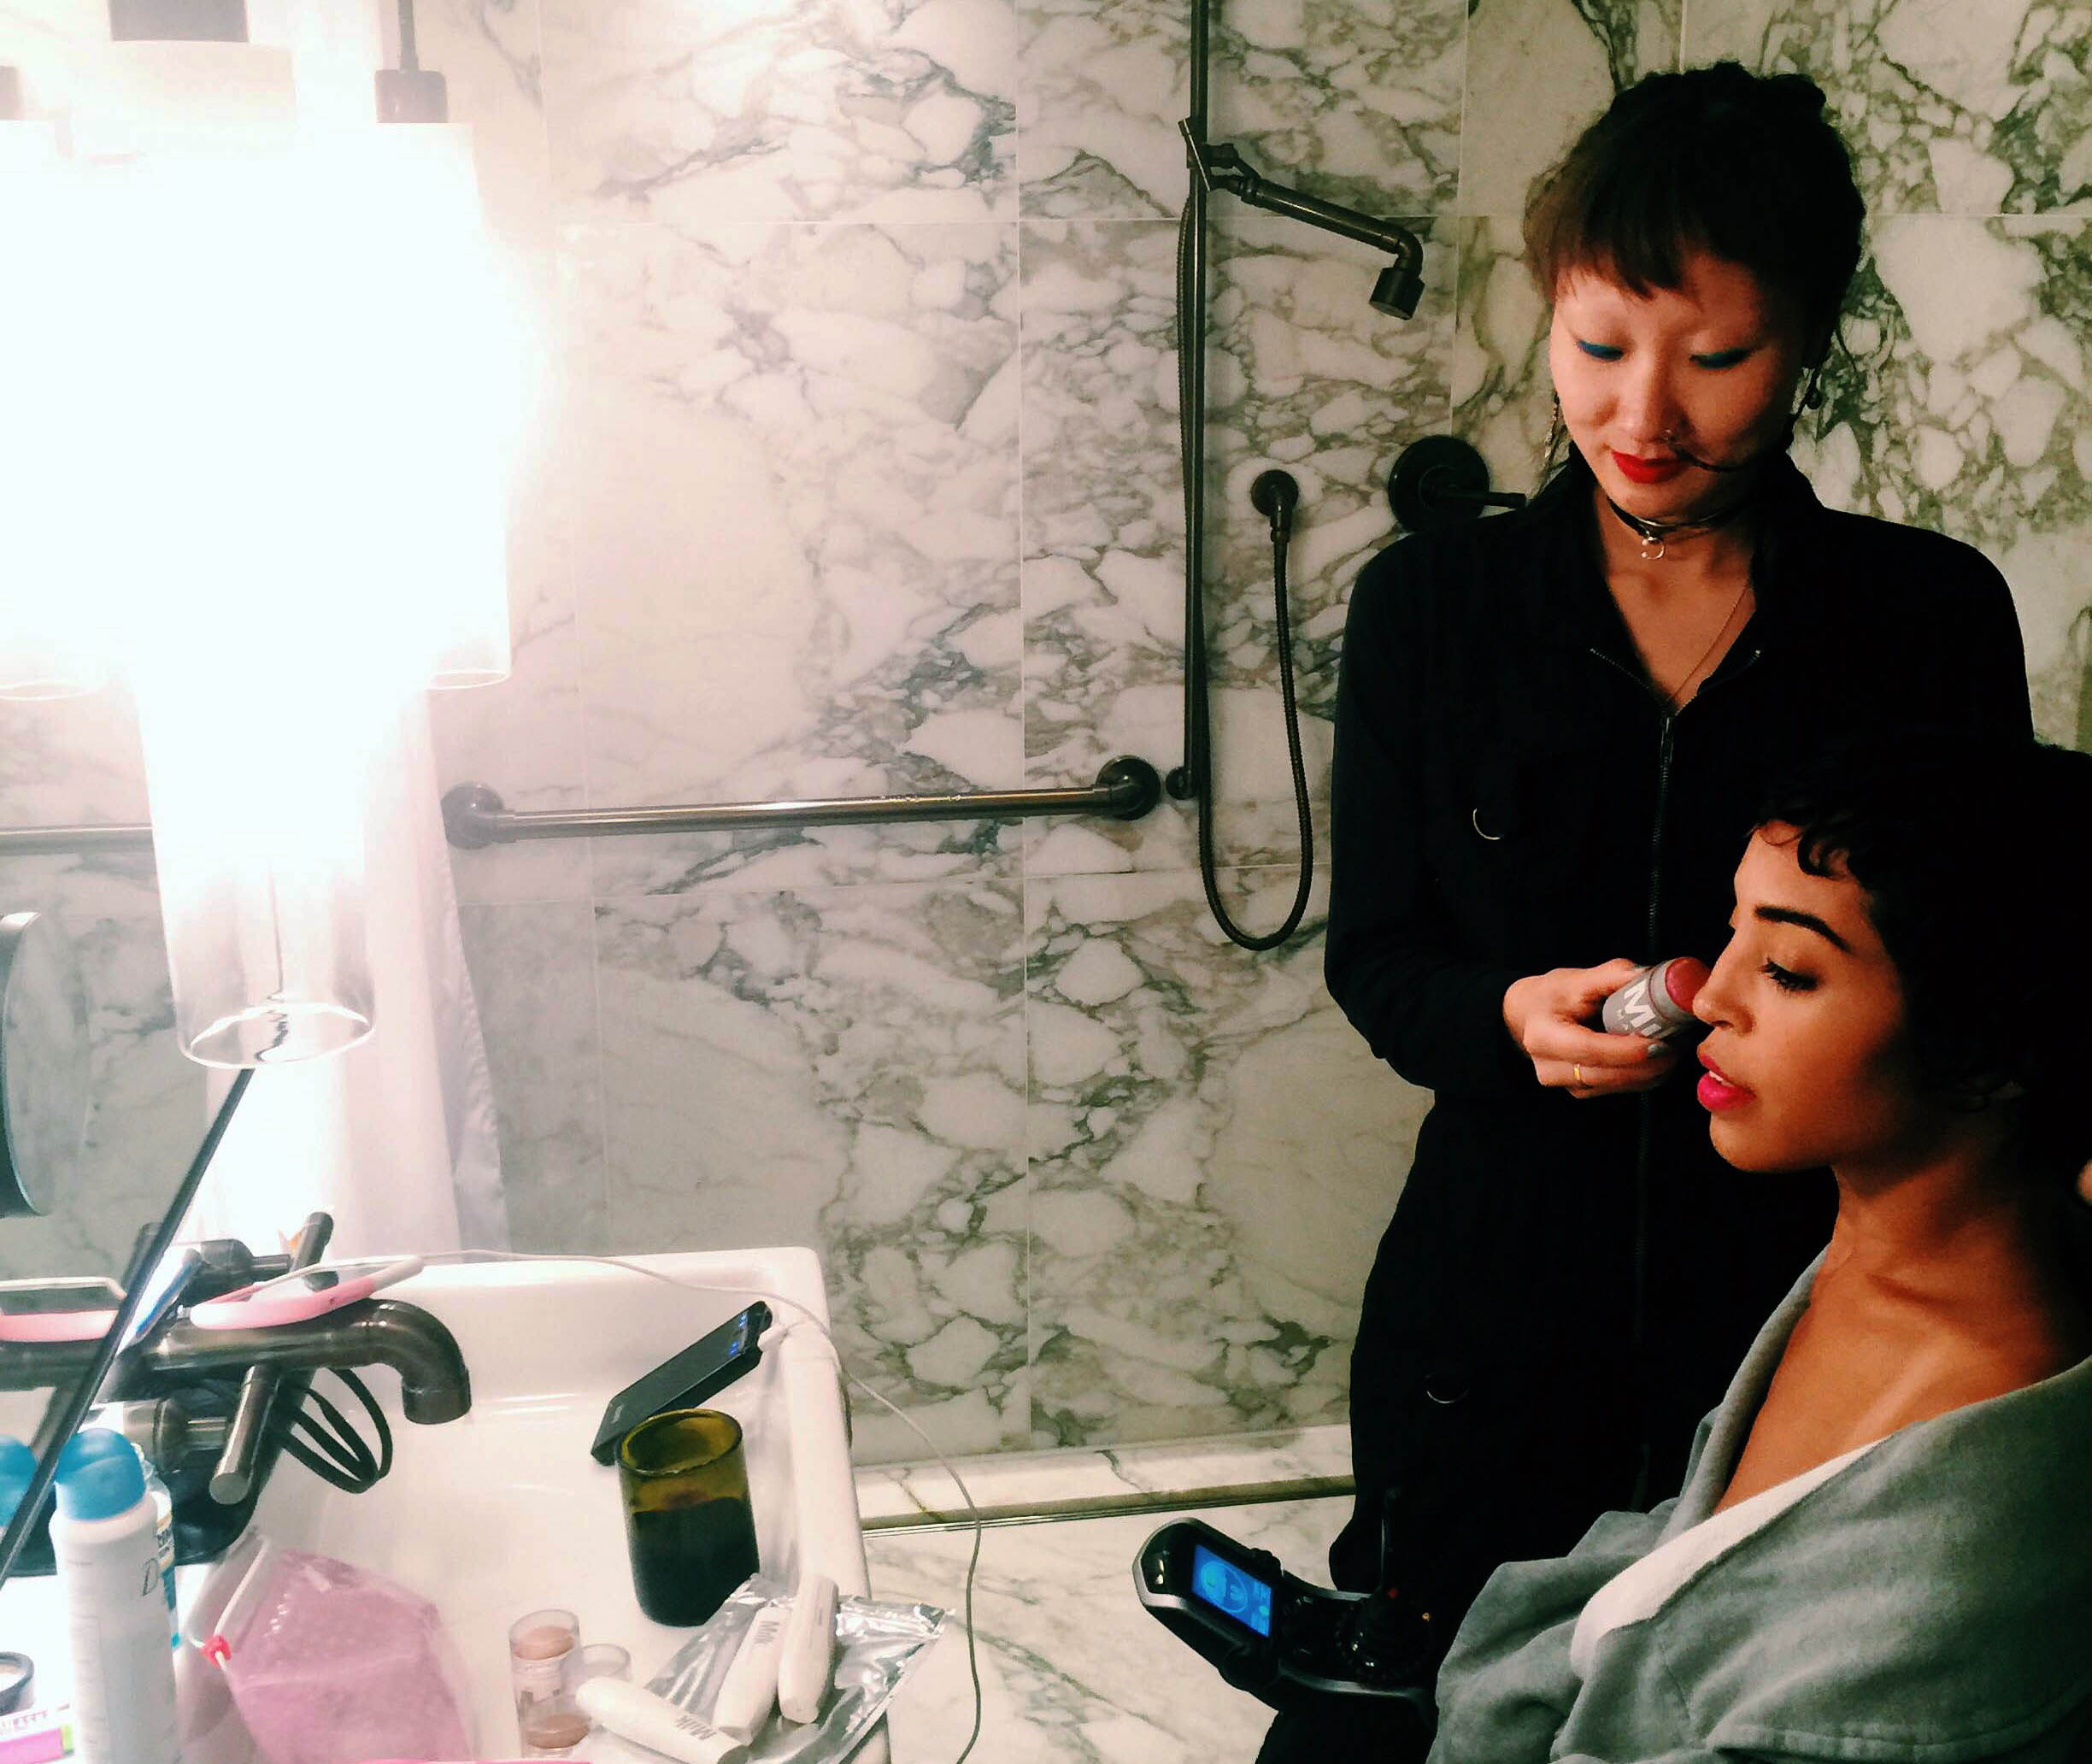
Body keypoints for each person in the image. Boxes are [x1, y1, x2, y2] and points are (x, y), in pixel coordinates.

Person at [1260, 62, 2032, 1761]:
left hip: (1796, 1295)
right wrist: (1508, 1023)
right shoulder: (1436, 607)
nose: (1645, 416)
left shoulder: (1924, 617)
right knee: (1425, 1682)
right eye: (1601, 348)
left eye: (1719, 358)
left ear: (1810, 343)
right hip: (1490, 1277)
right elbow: (1379, 958)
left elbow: (1995, 971)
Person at [1429, 731, 2092, 1761]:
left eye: (1786, 969)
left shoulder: (1967, 1557)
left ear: (1995, 1046)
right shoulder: (1864, 1263)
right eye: (1732, 933)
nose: (1705, 996)